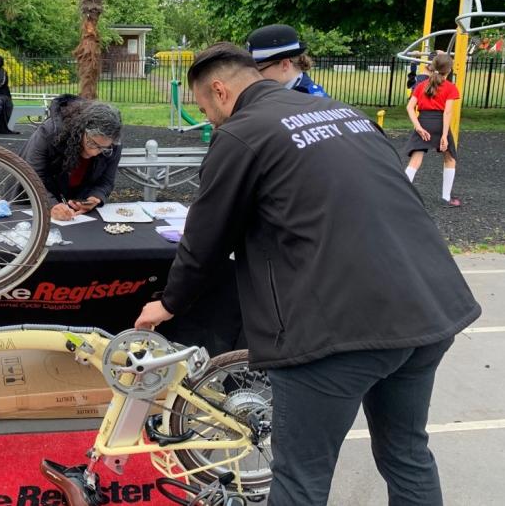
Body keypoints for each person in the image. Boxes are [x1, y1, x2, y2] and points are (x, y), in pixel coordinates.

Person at [135, 43, 480, 506]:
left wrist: (169, 303)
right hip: (429, 308)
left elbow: (205, 239)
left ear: (219, 90)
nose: (209, 118)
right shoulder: (344, 112)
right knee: (407, 453)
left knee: (300, 478)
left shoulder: (240, 133)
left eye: (204, 108)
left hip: (336, 329)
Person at [17, 95, 122, 221]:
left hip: (73, 210)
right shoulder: (50, 132)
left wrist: (95, 197)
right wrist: (52, 205)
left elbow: (106, 181)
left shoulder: (113, 144)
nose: (94, 152)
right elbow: (32, 177)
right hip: (29, 202)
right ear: (81, 130)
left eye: (102, 148)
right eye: (92, 143)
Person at [404, 53, 461, 207]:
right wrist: (444, 135)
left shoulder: (422, 85)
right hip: (439, 123)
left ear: (433, 66)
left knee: (415, 160)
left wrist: (418, 127)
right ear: (449, 70)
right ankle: (445, 197)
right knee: (450, 158)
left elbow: (410, 107)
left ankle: (400, 194)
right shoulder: (450, 87)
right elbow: (447, 112)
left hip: (424, 121)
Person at [245, 24, 328, 97]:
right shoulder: (268, 93)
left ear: (285, 65)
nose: (253, 76)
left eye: (259, 68)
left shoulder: (312, 100)